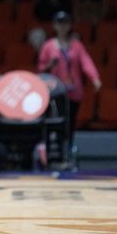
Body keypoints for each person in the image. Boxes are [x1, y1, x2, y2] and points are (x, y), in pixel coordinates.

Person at [37, 11, 101, 144]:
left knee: (71, 121)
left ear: (70, 25)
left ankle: (69, 148)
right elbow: (41, 68)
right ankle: (55, 147)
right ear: (55, 25)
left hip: (73, 91)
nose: (62, 26)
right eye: (59, 23)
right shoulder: (48, 46)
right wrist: (50, 65)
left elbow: (86, 62)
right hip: (55, 91)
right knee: (55, 120)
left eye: (65, 23)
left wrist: (94, 78)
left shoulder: (77, 45)